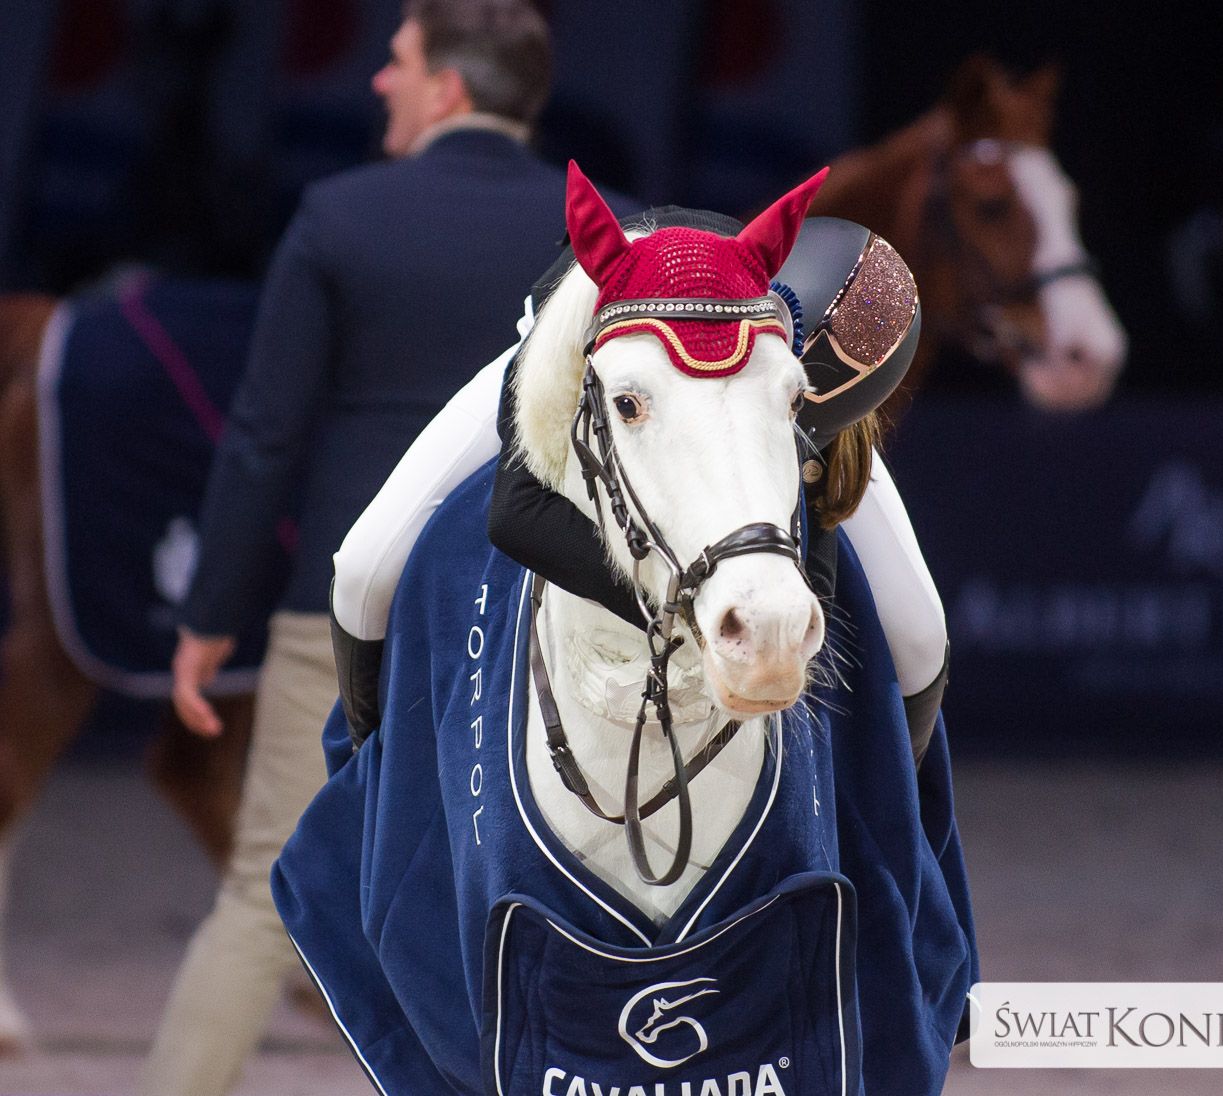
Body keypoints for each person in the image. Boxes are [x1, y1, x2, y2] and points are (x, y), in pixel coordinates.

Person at [140, 4, 635, 1094]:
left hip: (352, 611)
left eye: (397, 62)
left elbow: (265, 436)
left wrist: (209, 616)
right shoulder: (608, 234)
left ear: (447, 88)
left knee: (265, 889)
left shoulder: (340, 215)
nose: (376, 82)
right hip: (540, 615)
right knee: (566, 895)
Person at [330, 211, 950, 767]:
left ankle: (898, 826)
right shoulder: (590, 311)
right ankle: (369, 771)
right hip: (595, 345)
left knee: (921, 636)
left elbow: (810, 564)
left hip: (751, 380)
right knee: (364, 565)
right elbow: (515, 513)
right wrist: (692, 618)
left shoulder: (789, 393)